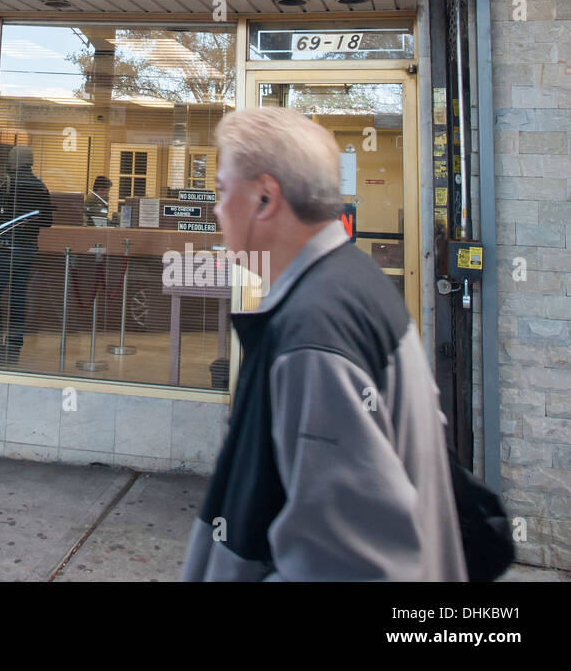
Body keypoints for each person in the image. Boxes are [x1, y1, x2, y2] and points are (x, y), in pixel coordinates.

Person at [180, 107, 466, 581]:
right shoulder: (354, 281)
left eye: (221, 189)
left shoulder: (311, 336)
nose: (215, 208)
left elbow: (350, 567)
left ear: (265, 197)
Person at [0, 145, 53, 366]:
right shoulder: (41, 186)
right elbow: (46, 220)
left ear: (12, 161)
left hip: (3, 250)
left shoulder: (6, 185)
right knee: (17, 301)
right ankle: (13, 351)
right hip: (27, 250)